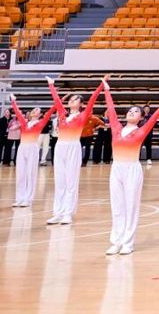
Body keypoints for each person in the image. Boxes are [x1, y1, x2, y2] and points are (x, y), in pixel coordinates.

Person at [102, 80, 159, 255]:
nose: (132, 112)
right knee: (117, 206)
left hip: (132, 169)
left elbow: (157, 114)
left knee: (131, 205)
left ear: (141, 118)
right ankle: (116, 241)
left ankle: (128, 243)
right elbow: (111, 109)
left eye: (136, 111)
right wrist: (106, 89)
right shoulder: (116, 128)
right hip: (116, 169)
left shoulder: (142, 130)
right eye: (130, 110)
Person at [45, 76, 105, 225]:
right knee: (59, 182)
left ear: (81, 104)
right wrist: (51, 85)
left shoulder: (84, 115)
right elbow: (57, 101)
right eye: (71, 99)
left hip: (73, 147)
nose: (72, 100)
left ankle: (68, 214)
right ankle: (58, 213)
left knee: (71, 182)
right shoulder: (62, 114)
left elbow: (93, 99)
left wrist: (101, 85)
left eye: (76, 99)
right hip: (60, 146)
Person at [9, 95, 58, 207]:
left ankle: (28, 199)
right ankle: (20, 198)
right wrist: (13, 101)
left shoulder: (41, 122)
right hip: (22, 148)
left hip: (32, 148)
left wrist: (58, 102)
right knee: (20, 174)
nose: (34, 111)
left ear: (40, 115)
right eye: (33, 109)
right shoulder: (24, 122)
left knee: (30, 173)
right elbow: (17, 112)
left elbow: (50, 112)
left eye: (37, 110)